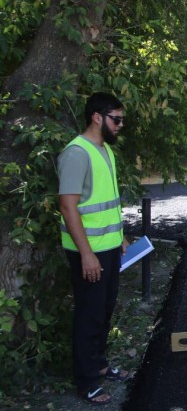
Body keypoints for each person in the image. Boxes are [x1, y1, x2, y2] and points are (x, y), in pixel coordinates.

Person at [58, 92, 130, 406]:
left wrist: (121, 236)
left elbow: (106, 202)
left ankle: (99, 364)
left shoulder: (105, 151)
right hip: (88, 252)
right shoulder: (77, 153)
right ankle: (87, 381)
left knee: (104, 310)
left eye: (122, 119)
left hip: (110, 247)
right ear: (97, 117)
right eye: (116, 119)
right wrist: (86, 253)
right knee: (89, 315)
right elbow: (68, 206)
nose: (120, 125)